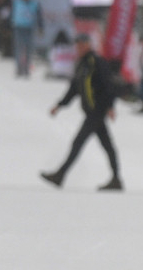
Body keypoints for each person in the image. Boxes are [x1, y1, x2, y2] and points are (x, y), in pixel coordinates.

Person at [40, 33, 122, 191]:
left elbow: (108, 85)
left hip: (97, 111)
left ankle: (60, 175)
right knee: (107, 146)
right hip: (91, 112)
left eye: (81, 44)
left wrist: (110, 106)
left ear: (88, 45)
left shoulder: (96, 62)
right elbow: (74, 89)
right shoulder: (81, 64)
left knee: (78, 142)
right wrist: (60, 105)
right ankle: (116, 179)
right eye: (77, 45)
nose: (78, 48)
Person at [9, 0, 42, 78]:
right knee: (19, 49)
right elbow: (12, 14)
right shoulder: (17, 2)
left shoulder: (34, 3)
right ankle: (19, 68)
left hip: (29, 28)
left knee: (28, 49)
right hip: (18, 27)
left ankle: (27, 68)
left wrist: (40, 27)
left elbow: (39, 16)